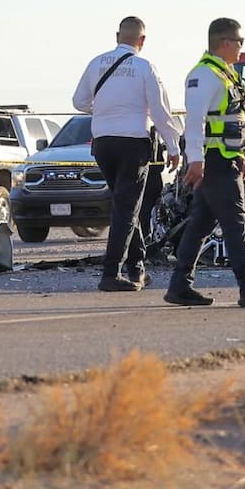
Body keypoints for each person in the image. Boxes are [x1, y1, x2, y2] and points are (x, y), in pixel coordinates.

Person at [165, 18, 245, 308]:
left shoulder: (225, 74)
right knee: (235, 224)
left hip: (225, 159)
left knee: (200, 224)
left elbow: (230, 123)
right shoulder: (204, 75)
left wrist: (239, 153)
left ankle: (179, 286)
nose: (242, 48)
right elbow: (194, 122)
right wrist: (195, 161)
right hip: (214, 163)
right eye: (240, 42)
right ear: (225, 42)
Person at [73, 16, 181, 292]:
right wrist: (173, 146)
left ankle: (137, 267)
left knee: (125, 206)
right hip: (132, 142)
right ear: (142, 40)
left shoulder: (97, 62)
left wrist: (104, 111)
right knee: (127, 208)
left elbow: (79, 101)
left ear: (117, 35)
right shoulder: (146, 68)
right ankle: (111, 273)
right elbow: (159, 111)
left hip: (103, 142)